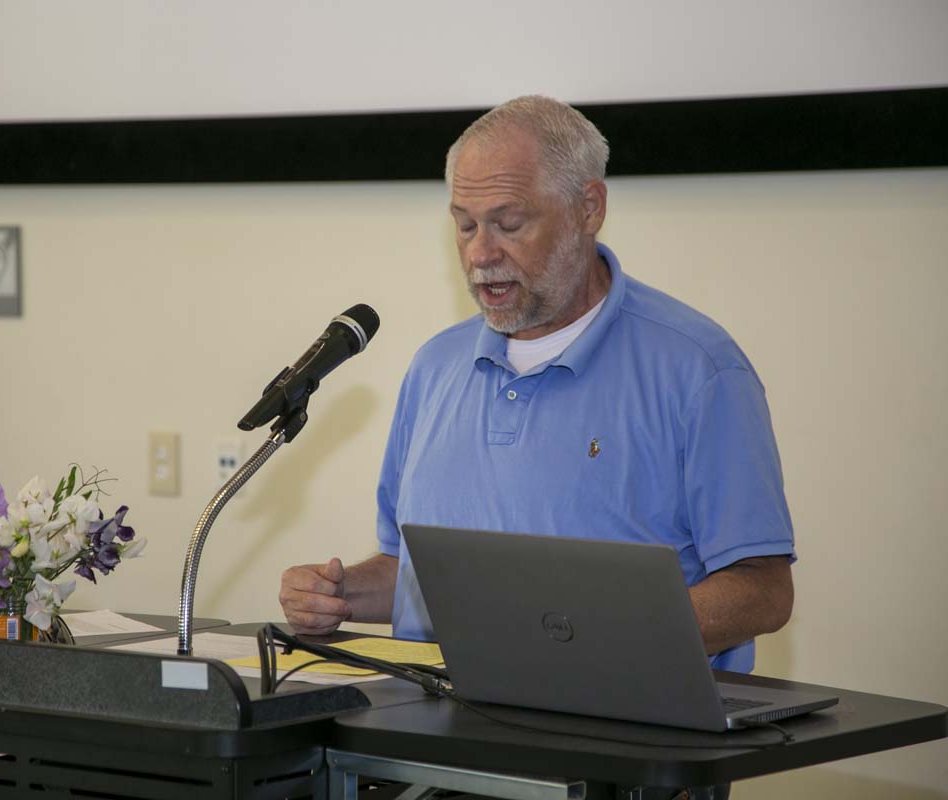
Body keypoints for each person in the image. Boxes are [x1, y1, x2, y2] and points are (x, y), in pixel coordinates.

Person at [279, 95, 794, 673]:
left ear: (589, 208)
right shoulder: (435, 368)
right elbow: (414, 575)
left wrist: (591, 639)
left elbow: (764, 590)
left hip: (624, 744)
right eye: (465, 225)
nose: (479, 253)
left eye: (509, 223)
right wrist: (340, 595)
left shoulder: (697, 369)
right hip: (436, 741)